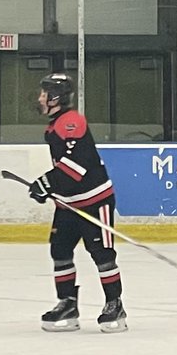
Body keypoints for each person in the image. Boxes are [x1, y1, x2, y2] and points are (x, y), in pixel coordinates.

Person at [29, 72, 127, 333]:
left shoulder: (71, 122)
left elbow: (77, 165)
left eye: (44, 93)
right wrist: (48, 187)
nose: (40, 97)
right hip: (68, 204)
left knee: (102, 255)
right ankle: (68, 303)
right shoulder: (55, 124)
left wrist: (47, 183)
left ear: (55, 97)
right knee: (59, 250)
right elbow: (65, 172)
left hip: (95, 202)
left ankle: (114, 304)